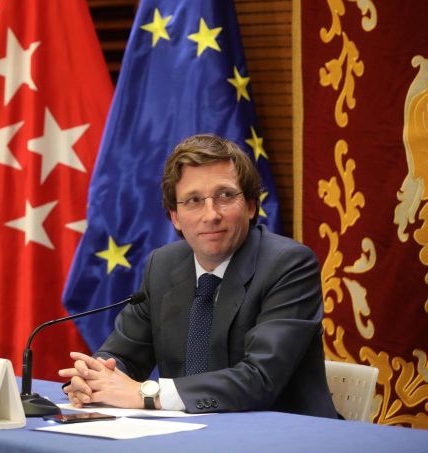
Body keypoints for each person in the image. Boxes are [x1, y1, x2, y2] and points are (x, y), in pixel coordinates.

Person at [59, 134, 337, 418]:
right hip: (186, 432)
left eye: (225, 196)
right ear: (175, 216)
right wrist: (93, 379)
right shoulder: (162, 265)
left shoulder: (289, 264)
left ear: (251, 205)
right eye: (193, 200)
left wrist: (147, 394)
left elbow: (260, 378)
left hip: (282, 432)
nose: (211, 214)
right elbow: (121, 356)